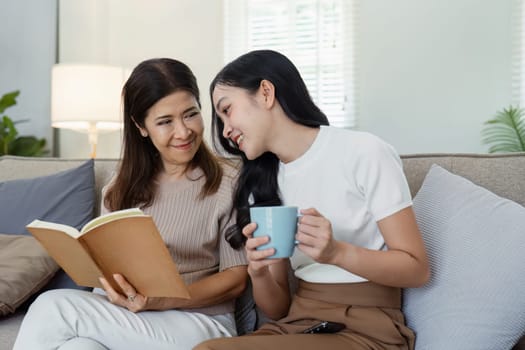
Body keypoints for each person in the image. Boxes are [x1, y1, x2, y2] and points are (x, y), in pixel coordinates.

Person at [194, 50, 430, 350]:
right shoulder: (262, 183)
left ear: (266, 93)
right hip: (298, 325)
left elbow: (417, 268)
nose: (225, 131)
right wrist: (259, 272)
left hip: (368, 328)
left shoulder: (364, 152)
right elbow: (277, 309)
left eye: (227, 110)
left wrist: (336, 252)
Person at [13, 58, 248, 350]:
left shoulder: (229, 182)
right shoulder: (118, 189)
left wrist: (162, 300)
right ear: (141, 126)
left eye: (190, 114)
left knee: (52, 306)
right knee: (80, 347)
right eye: (165, 122)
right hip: (130, 320)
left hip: (201, 324)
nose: (183, 132)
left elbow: (236, 279)